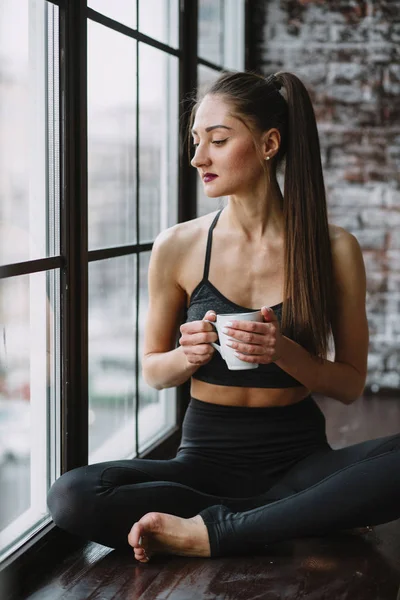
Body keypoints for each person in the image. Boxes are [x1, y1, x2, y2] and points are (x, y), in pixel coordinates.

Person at [47, 71, 400, 563]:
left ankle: (221, 532)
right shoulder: (179, 245)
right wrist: (186, 356)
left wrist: (286, 353)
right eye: (196, 141)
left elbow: (349, 384)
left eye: (217, 140)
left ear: (269, 143)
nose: (198, 158)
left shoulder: (335, 248)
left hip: (300, 460)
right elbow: (153, 368)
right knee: (71, 495)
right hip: (203, 466)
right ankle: (294, 516)